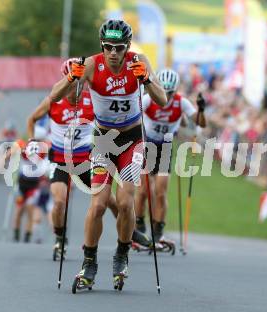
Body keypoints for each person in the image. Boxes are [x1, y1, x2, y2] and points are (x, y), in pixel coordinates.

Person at [48, 19, 166, 290]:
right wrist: (71, 77)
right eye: (108, 47)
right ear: (102, 46)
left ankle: (122, 255)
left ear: (127, 47)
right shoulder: (90, 64)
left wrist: (146, 80)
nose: (114, 53)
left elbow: (162, 99)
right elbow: (55, 96)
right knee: (99, 205)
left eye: (119, 48)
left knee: (125, 204)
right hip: (103, 141)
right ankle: (89, 261)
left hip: (133, 140)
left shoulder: (139, 60)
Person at [26, 64, 120, 259]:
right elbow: (32, 119)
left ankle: (128, 233)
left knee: (108, 199)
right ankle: (60, 239)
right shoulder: (53, 101)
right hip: (60, 159)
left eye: (80, 86)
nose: (76, 92)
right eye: (72, 86)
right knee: (59, 202)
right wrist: (31, 141)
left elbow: (112, 121)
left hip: (84, 158)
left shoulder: (92, 101)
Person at [134, 69, 206, 248]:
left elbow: (201, 123)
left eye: (170, 92)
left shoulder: (181, 102)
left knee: (160, 191)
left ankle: (158, 231)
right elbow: (133, 114)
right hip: (147, 145)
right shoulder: (149, 98)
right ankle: (139, 223)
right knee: (144, 191)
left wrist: (201, 110)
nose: (166, 96)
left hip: (165, 147)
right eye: (164, 91)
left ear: (176, 90)